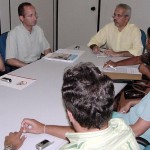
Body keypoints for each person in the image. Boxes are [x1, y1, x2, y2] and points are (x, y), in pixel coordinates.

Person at [4, 62, 139, 150]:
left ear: (70, 114)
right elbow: (83, 134)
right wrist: (44, 128)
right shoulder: (121, 128)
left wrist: (9, 147)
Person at [6, 2, 51, 69]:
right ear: (21, 18)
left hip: (37, 64)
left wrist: (50, 60)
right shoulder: (13, 34)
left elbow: (47, 49)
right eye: (30, 16)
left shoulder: (38, 29)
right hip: (21, 67)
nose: (35, 18)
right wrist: (29, 67)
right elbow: (10, 60)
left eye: (35, 14)